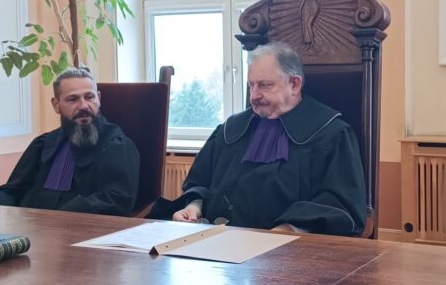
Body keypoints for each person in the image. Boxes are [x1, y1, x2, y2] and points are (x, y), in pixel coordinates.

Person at [150, 42, 366, 236]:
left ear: (294, 84)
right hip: (215, 243)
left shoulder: (332, 134)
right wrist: (193, 206)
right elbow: (199, 182)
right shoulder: (230, 130)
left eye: (264, 85)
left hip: (292, 255)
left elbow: (340, 205)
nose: (253, 96)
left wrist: (288, 229)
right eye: (251, 85)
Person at [0, 68, 139, 215]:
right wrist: (1, 209)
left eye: (89, 97)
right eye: (73, 99)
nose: (83, 106)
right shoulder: (43, 144)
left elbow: (117, 200)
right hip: (29, 225)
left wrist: (60, 217)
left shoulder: (116, 145)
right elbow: (12, 191)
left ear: (98, 98)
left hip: (77, 228)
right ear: (56, 105)